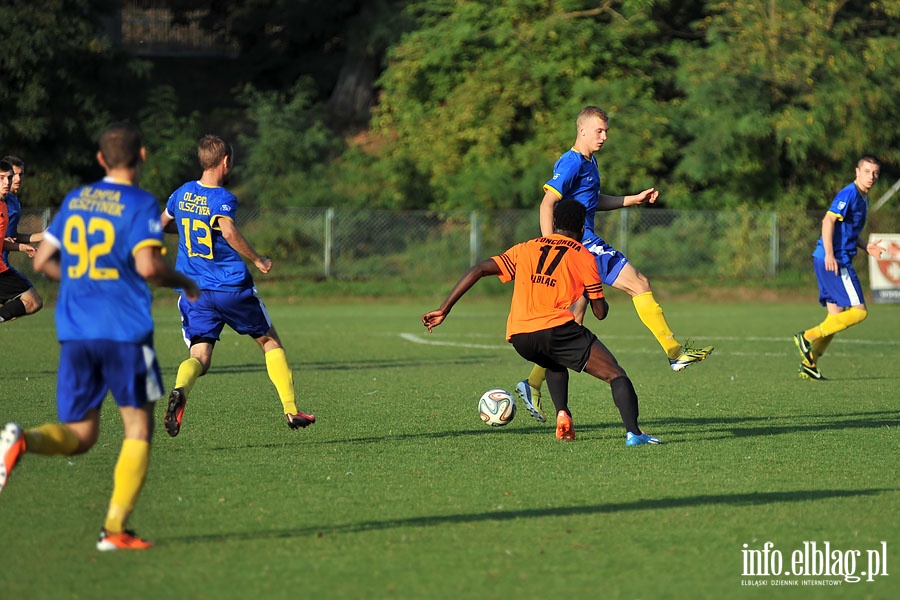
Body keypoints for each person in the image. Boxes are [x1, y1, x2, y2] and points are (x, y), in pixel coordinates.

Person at [0, 123, 200, 550]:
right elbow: (148, 267)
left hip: (75, 330)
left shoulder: (77, 199)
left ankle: (24, 439)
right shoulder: (140, 203)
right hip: (123, 330)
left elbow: (44, 261)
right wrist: (185, 281)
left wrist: (80, 279)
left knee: (83, 433)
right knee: (137, 429)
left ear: (100, 160)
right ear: (142, 157)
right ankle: (114, 530)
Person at [516, 106, 713, 423]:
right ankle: (675, 352)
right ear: (582, 130)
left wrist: (630, 200)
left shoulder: (589, 164)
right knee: (640, 284)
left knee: (571, 325)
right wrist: (553, 247)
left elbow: (593, 199)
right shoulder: (570, 162)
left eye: (606, 131)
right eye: (599, 131)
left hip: (579, 244)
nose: (604, 136)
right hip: (583, 245)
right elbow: (547, 203)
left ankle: (532, 383)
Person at [423, 199, 662, 446]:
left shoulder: (526, 247)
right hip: (556, 329)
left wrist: (444, 309)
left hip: (520, 336)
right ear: (582, 229)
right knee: (616, 375)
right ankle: (634, 434)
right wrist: (595, 297)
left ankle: (563, 413)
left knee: (553, 360)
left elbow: (478, 269)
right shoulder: (583, 255)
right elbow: (600, 313)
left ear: (555, 223)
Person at [160, 134, 315, 436]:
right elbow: (228, 230)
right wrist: (257, 259)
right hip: (231, 288)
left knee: (199, 357)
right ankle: (291, 409)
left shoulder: (180, 194)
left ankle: (181, 390)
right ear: (226, 161)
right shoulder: (222, 198)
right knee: (269, 341)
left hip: (194, 292)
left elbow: (159, 223)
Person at [793, 155, 883, 380]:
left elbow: (849, 231)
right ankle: (807, 337)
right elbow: (828, 221)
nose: (871, 176)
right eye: (867, 171)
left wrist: (865, 246)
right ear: (857, 172)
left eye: (875, 173)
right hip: (835, 260)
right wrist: (831, 255)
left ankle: (809, 364)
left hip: (827, 258)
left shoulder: (863, 198)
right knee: (859, 312)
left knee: (835, 316)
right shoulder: (849, 193)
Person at [1, 155, 44, 322]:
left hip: (3, 267)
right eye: (3, 178)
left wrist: (21, 246)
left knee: (31, 301)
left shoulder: (7, 203)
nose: (10, 181)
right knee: (31, 301)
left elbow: (10, 236)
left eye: (10, 177)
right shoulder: (6, 203)